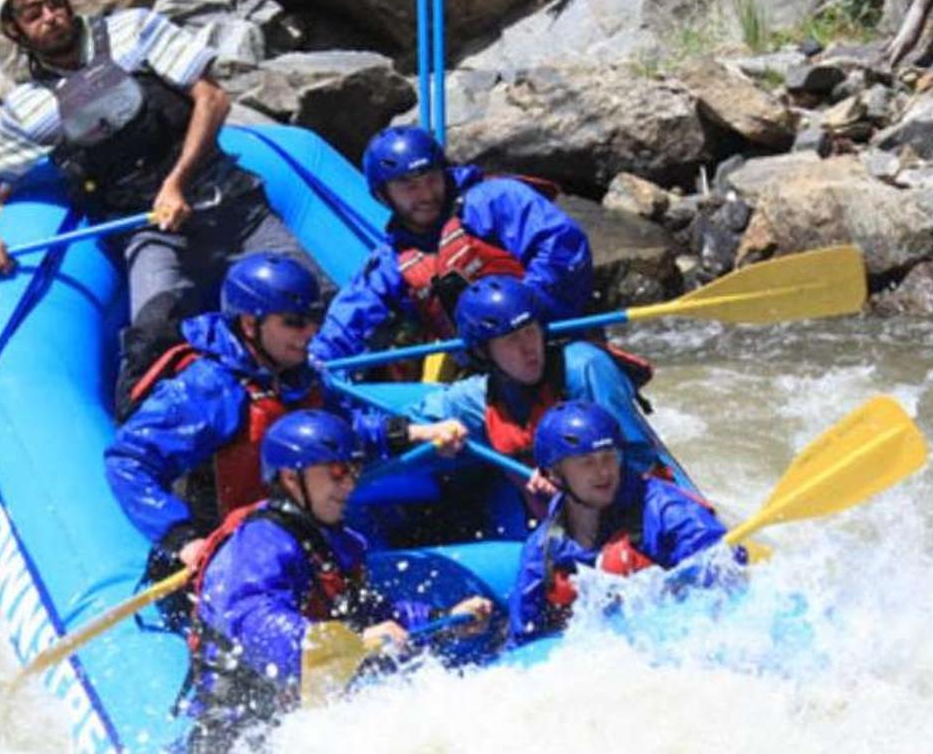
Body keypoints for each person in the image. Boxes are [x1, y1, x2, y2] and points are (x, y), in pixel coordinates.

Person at [0, 0, 319, 402]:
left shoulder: (135, 31)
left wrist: (176, 183)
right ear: (16, 31)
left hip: (229, 202)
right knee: (151, 343)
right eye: (34, 13)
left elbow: (212, 99)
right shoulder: (30, 109)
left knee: (315, 299)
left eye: (54, 2)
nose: (51, 16)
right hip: (150, 232)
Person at [106, 253, 469, 585]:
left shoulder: (298, 373)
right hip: (231, 557)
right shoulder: (208, 388)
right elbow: (128, 461)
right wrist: (184, 539)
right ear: (250, 324)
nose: (310, 334)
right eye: (294, 322)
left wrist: (413, 433)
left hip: (297, 533)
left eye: (313, 320)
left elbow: (340, 430)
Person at [187, 412, 492, 749]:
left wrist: (443, 620)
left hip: (299, 720)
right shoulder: (261, 541)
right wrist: (347, 643)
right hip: (236, 731)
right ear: (291, 477)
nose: (349, 485)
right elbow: (256, 621)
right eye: (336, 472)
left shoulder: (336, 543)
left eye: (353, 471)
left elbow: (372, 614)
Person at [307, 125, 592, 368]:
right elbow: (350, 317)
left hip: (554, 342)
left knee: (584, 364)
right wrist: (315, 360)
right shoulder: (392, 261)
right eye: (408, 186)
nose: (426, 194)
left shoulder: (493, 200)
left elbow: (563, 245)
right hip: (485, 375)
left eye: (431, 178)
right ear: (383, 196)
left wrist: (524, 312)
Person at [405, 275, 667, 508]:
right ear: (483, 352)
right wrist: (413, 433)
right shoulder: (476, 398)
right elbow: (405, 422)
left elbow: (639, 461)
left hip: (635, 505)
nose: (528, 348)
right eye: (511, 339)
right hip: (557, 519)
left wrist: (568, 485)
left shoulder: (584, 368)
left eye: (530, 331)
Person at [507, 401, 740, 644]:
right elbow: (523, 640)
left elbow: (727, 566)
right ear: (555, 474)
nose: (603, 472)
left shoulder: (667, 509)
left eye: (609, 457)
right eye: (587, 462)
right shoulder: (542, 549)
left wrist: (673, 588)